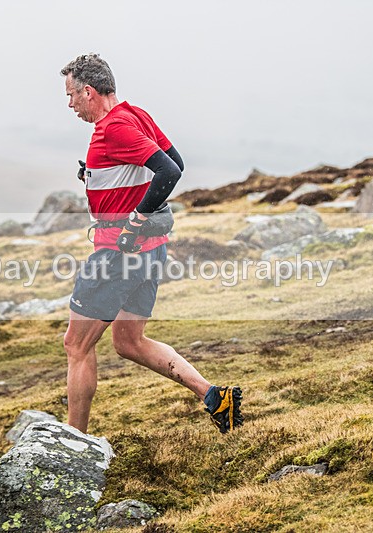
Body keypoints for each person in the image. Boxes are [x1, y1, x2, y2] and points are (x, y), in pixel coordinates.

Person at [59, 53, 242, 435]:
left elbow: (169, 170)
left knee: (77, 346)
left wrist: (137, 218)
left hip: (118, 255)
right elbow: (172, 160)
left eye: (71, 95)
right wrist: (99, 177)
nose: (70, 104)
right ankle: (213, 396)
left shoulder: (113, 129)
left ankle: (72, 443)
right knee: (129, 341)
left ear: (88, 91)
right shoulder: (135, 115)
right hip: (150, 252)